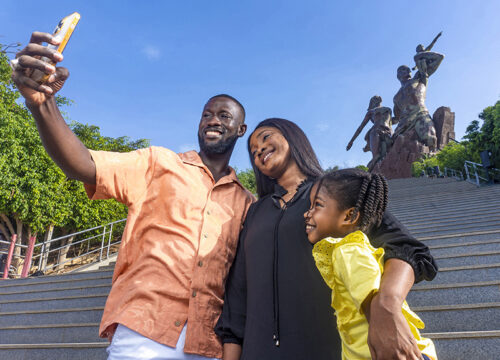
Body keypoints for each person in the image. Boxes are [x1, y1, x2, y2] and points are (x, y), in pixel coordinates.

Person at [11, 32, 254, 360]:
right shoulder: (158, 162)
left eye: (224, 116)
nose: (213, 120)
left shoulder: (247, 203)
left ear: (241, 129)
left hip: (208, 343)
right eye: (207, 113)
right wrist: (41, 104)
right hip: (144, 332)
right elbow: (83, 164)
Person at [216, 118, 438, 360]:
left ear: (293, 137)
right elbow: (237, 297)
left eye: (266, 137)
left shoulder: (336, 191)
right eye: (252, 150)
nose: (258, 149)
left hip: (328, 348)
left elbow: (409, 249)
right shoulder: (254, 213)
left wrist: (387, 305)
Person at [304, 168, 437, 360]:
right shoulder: (351, 248)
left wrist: (386, 305)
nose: (307, 214)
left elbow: (371, 300)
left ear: (349, 216)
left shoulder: (348, 251)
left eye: (317, 205)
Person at [346, 95, 393, 171]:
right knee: (378, 156)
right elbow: (360, 127)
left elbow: (360, 128)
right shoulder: (375, 111)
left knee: (383, 155)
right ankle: (370, 173)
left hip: (382, 132)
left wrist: (351, 142)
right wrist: (351, 141)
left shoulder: (383, 110)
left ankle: (369, 174)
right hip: (381, 132)